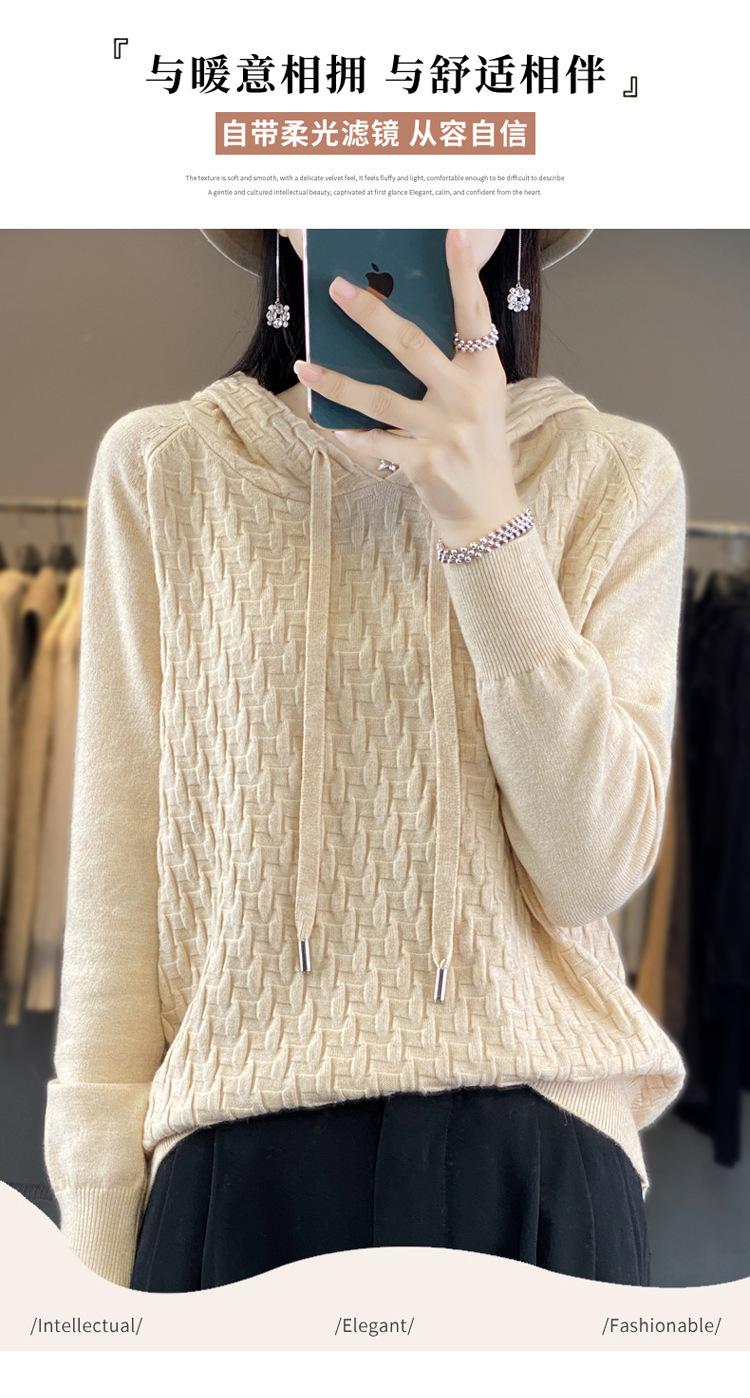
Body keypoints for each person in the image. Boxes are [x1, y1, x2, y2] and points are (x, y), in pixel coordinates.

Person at [44, 227, 687, 1292]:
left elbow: (591, 868)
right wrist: (98, 1261)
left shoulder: (613, 472)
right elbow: (118, 897)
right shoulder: (165, 469)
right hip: (235, 1170)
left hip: (534, 1162)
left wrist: (485, 518)